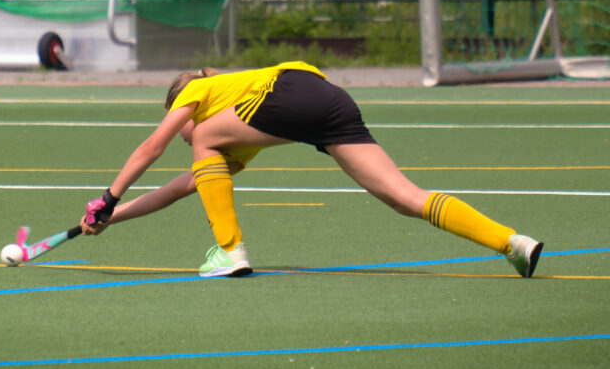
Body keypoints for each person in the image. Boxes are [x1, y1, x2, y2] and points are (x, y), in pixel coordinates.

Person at [81, 62, 544, 278]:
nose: (184, 134)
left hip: (289, 89)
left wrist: (109, 196)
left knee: (203, 136)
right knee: (404, 198)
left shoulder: (200, 96)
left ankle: (229, 252)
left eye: (177, 120)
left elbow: (153, 146)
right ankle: (512, 243)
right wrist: (111, 218)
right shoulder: (238, 133)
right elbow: (181, 187)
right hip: (330, 98)